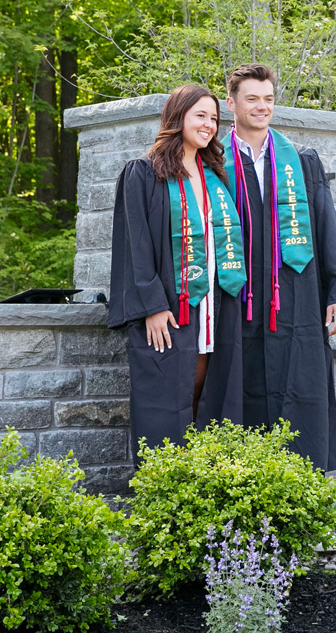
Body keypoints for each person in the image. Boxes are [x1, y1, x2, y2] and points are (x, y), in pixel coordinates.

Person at [222, 63, 336, 472]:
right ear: (232, 103)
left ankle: (297, 492)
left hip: (294, 296)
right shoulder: (214, 161)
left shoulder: (297, 161)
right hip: (235, 297)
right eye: (252, 99)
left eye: (268, 99)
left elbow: (326, 230)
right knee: (237, 386)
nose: (262, 107)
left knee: (298, 382)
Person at [108, 84, 248, 462]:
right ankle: (161, 490)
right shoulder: (144, 173)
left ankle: (202, 486)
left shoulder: (215, 178)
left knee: (207, 394)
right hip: (170, 307)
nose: (209, 125)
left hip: (213, 308)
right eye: (200, 115)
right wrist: (151, 305)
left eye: (214, 118)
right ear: (178, 116)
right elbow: (135, 246)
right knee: (167, 397)